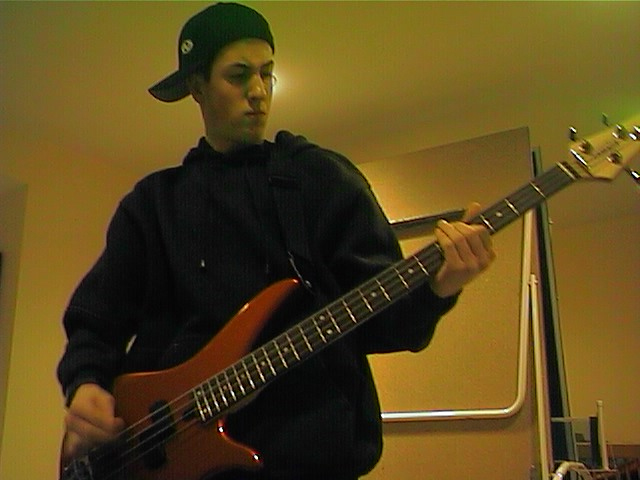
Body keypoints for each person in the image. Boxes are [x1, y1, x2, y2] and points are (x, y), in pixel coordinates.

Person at [57, 3, 495, 479]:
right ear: (197, 87)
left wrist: (439, 287)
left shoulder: (322, 180)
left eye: (267, 73)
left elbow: (385, 325)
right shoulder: (153, 203)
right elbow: (97, 318)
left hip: (310, 464)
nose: (258, 91)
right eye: (238, 75)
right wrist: (86, 383)